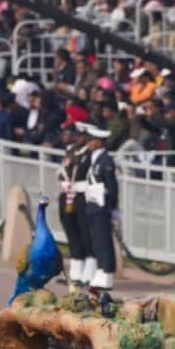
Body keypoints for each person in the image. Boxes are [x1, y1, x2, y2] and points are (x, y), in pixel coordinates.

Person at [80, 123, 120, 305]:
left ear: (100, 142)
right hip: (93, 205)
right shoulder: (93, 159)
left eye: (92, 140)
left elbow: (112, 187)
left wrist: (112, 208)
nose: (89, 143)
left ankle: (107, 272)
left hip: (102, 207)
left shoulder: (106, 161)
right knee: (96, 240)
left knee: (104, 241)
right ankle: (100, 270)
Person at [57, 125, 92, 291]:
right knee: (71, 234)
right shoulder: (70, 151)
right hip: (67, 195)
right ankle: (75, 272)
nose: (74, 137)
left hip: (81, 196)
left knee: (85, 234)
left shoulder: (88, 154)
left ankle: (87, 273)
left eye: (78, 135)